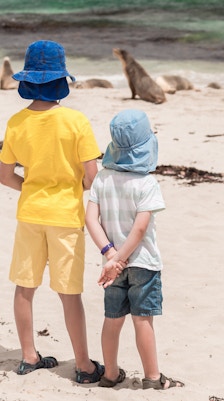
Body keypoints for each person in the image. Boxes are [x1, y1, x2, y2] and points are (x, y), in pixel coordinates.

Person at [0, 40, 104, 383]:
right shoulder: (75, 122)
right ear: (62, 81)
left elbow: (4, 175)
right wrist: (75, 188)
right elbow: (92, 176)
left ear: (27, 81)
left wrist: (30, 187)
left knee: (24, 287)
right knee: (69, 293)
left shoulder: (16, 122)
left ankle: (29, 356)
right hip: (65, 217)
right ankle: (85, 366)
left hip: (30, 213)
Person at [85, 109, 184, 389]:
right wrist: (120, 258)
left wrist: (110, 256)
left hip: (112, 268)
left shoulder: (102, 179)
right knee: (143, 320)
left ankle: (110, 374)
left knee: (112, 320)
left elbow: (90, 219)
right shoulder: (147, 183)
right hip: (143, 263)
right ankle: (153, 378)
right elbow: (140, 229)